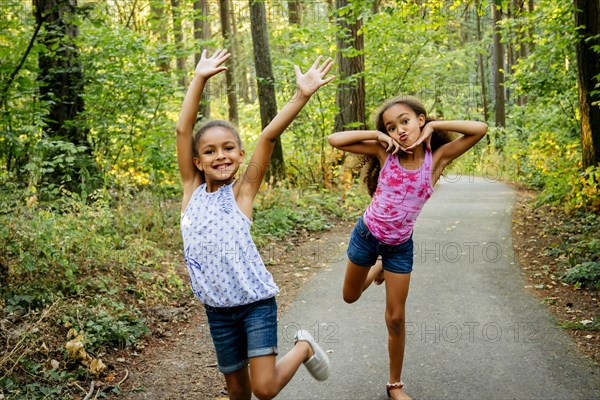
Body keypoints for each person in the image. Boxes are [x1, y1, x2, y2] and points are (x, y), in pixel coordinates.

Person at [176, 49, 335, 400]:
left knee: (263, 389)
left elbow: (268, 137)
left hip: (255, 304)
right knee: (238, 393)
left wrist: (300, 96)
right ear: (197, 161)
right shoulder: (191, 190)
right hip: (217, 311)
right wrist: (199, 78)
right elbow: (183, 128)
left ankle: (304, 348)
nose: (221, 156)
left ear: (239, 154)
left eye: (229, 148)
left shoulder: (242, 192)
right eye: (210, 151)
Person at [328, 96, 488, 400]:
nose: (399, 130)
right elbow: (334, 139)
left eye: (405, 121)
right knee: (349, 296)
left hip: (399, 247)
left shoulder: (436, 159)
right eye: (391, 126)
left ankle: (395, 386)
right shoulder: (383, 151)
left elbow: (479, 128)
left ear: (420, 120)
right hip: (366, 235)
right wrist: (376, 135)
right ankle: (377, 269)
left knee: (396, 318)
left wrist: (437, 126)